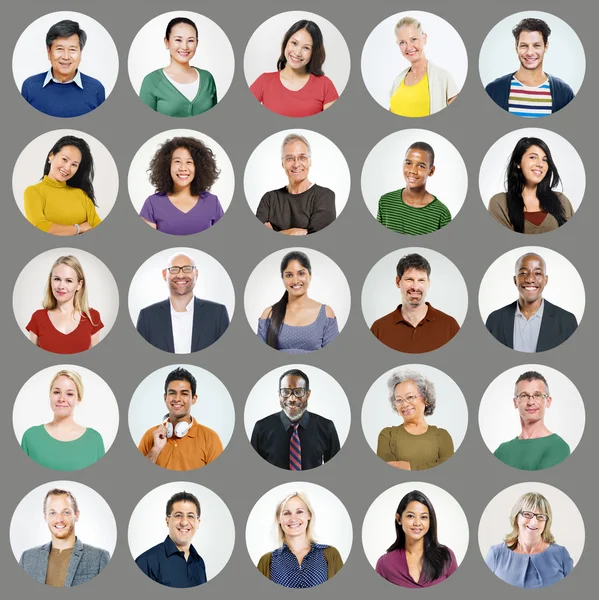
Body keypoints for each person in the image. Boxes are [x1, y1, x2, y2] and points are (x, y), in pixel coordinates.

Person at [135, 251, 230, 353]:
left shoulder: (217, 314)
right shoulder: (147, 316)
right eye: (174, 269)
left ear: (196, 273)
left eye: (187, 269)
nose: (181, 275)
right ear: (164, 274)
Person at [485, 252, 578, 352]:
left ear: (546, 280)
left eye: (537, 273)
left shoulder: (567, 321)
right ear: (515, 280)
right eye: (524, 273)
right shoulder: (494, 320)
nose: (530, 279)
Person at [251, 368, 340, 470]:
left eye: (298, 392)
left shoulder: (326, 427)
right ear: (279, 394)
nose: (292, 399)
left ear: (308, 394)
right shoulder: (261, 428)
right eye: (285, 392)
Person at [370, 253, 460, 353]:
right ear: (398, 281)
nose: (415, 287)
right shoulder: (378, 328)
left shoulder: (450, 326)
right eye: (409, 279)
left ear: (428, 283)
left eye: (421, 280)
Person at [484, 18, 575, 117]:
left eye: (536, 45)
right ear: (516, 47)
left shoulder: (565, 94)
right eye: (524, 46)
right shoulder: (493, 91)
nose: (530, 53)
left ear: (546, 47)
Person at [19, 489, 110, 587]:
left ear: (76, 515)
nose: (59, 519)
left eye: (66, 512)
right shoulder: (27, 558)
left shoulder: (99, 558)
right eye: (53, 513)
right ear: (45, 516)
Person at [137, 367, 223, 470]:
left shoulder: (210, 438)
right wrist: (155, 449)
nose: (177, 399)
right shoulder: (150, 435)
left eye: (184, 393)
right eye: (172, 393)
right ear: (165, 398)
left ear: (194, 399)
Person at [250, 20, 339, 117]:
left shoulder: (325, 85)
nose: (297, 53)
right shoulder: (264, 81)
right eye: (294, 43)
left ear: (314, 53)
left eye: (306, 48)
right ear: (286, 43)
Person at [484, 492, 573, 588]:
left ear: (546, 522)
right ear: (516, 517)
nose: (534, 522)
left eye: (541, 517)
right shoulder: (496, 554)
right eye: (527, 514)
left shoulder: (561, 554)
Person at [20, 370, 104, 471]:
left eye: (69, 394)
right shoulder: (31, 437)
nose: (61, 398)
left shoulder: (94, 440)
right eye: (56, 392)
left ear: (79, 399)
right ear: (50, 395)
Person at [257, 491, 343, 588]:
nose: (293, 518)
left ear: (309, 515)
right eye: (287, 513)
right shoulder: (267, 561)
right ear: (278, 519)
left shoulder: (330, 555)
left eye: (299, 512)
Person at [139, 136, 224, 235]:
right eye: (177, 161)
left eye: (189, 162)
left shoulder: (213, 202)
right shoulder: (152, 204)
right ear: (168, 166)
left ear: (198, 167)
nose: (183, 168)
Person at [488, 137, 574, 233]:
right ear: (518, 163)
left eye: (545, 160)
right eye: (533, 157)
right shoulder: (500, 203)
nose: (540, 164)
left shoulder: (561, 200)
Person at [257, 251, 338, 353]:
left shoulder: (326, 313)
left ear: (310, 275)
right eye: (289, 275)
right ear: (282, 278)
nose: (295, 281)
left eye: (301, 273)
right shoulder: (269, 314)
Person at [21, 20, 105, 117]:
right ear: (49, 52)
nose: (66, 56)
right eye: (60, 49)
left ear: (80, 53)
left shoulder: (96, 89)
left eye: (72, 50)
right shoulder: (30, 87)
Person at [256, 133, 336, 235]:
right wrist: (294, 232)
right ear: (282, 164)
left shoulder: (325, 196)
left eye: (302, 157)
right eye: (290, 158)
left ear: (309, 162)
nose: (296, 164)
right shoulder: (269, 199)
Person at [376, 490, 457, 588]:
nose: (417, 523)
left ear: (430, 521)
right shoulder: (385, 564)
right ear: (399, 519)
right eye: (410, 516)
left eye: (424, 517)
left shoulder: (446, 557)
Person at [24, 135, 102, 236]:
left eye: (74, 164)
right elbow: (40, 227)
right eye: (64, 159)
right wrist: (79, 228)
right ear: (51, 156)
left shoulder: (81, 194)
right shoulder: (33, 192)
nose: (67, 168)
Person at [377, 369, 453, 470]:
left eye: (410, 397)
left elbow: (448, 471)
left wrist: (407, 466)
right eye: (399, 400)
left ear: (425, 398)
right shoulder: (387, 435)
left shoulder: (442, 436)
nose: (404, 404)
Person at [139, 17, 217, 117]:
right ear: (167, 42)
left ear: (197, 43)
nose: (185, 47)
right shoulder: (151, 81)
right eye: (178, 40)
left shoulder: (207, 78)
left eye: (190, 40)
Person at [26, 255, 104, 354]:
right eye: (57, 279)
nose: (61, 286)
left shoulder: (93, 317)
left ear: (79, 285)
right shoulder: (38, 317)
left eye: (69, 281)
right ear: (51, 281)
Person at [493, 371, 570, 470]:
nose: (531, 402)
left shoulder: (558, 447)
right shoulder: (502, 450)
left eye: (538, 395)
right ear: (515, 402)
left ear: (548, 401)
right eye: (524, 396)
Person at [376, 142, 451, 234]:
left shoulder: (441, 214)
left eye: (421, 166)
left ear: (431, 171)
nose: (412, 171)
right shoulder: (385, 202)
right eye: (408, 163)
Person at [389, 17, 458, 117]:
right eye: (402, 42)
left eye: (413, 39)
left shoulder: (443, 77)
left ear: (424, 38)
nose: (408, 47)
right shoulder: (397, 81)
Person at [135, 492, 206, 588]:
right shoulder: (146, 562)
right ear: (167, 521)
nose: (184, 522)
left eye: (190, 516)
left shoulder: (199, 562)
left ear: (198, 522)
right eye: (178, 515)